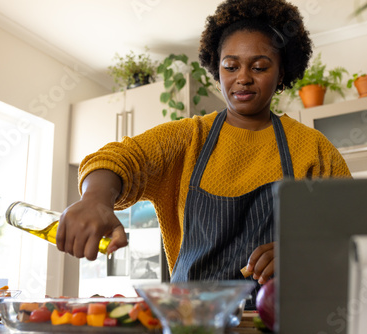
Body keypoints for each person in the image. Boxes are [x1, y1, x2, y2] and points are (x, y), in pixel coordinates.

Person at [57, 0, 351, 307]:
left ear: (281, 74)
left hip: (283, 322)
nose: (243, 77)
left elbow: (355, 235)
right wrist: (94, 199)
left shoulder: (313, 148)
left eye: (260, 66)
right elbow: (120, 157)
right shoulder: (187, 138)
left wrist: (303, 253)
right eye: (231, 66)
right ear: (217, 68)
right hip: (191, 321)